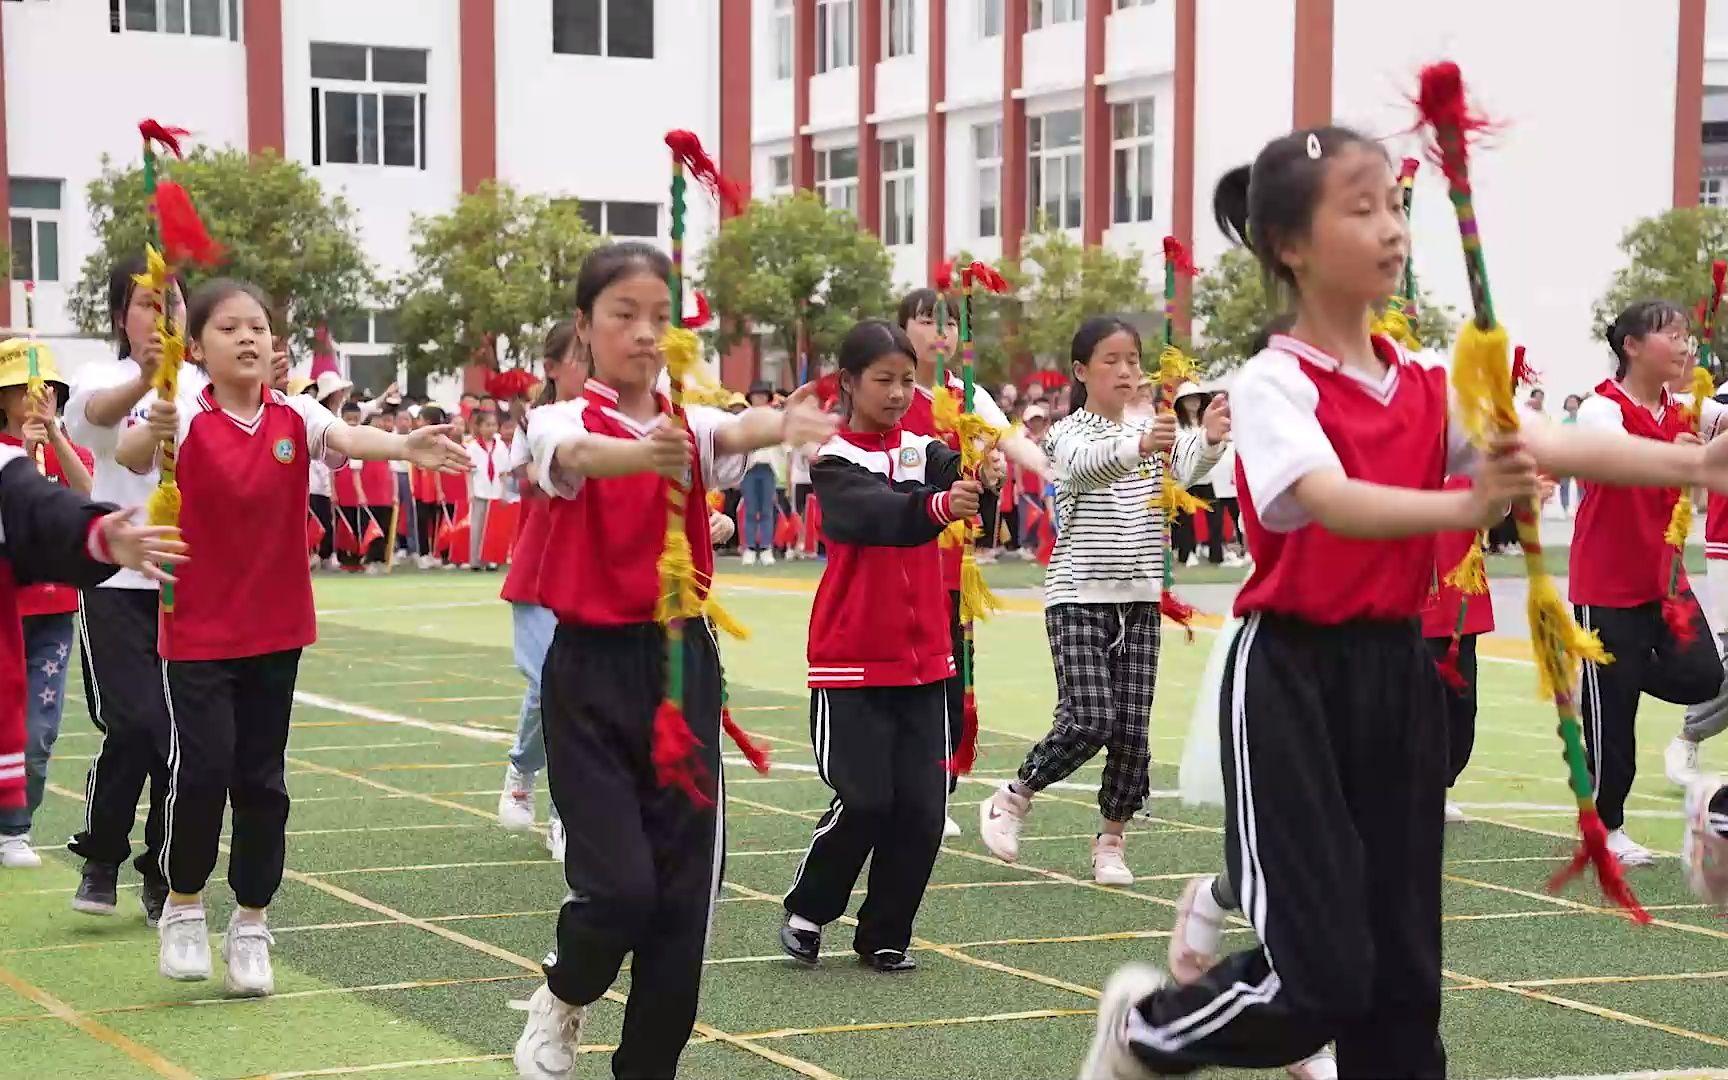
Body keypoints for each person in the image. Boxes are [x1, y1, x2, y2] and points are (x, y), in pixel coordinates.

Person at [1081, 125, 1728, 1080]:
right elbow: (1329, 499)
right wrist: (1465, 503)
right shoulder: (1272, 382)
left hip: (1398, 673)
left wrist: (1695, 463)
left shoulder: (1427, 380)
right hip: (1294, 678)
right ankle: (1147, 1031)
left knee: (1403, 981)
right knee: (1322, 976)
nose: (1391, 229)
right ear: (1290, 246)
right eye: (1361, 208)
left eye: (1394, 206)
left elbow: (1546, 441)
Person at [510, 243, 836, 1080]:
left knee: (685, 902)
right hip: (587, 674)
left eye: (660, 316)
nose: (645, 333)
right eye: (624, 315)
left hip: (681, 665)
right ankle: (565, 992)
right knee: (619, 889)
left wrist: (784, 425)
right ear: (583, 328)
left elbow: (736, 427)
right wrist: (639, 455)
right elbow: (580, 460)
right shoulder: (557, 422)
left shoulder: (688, 421)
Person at [115, 278, 469, 996]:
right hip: (197, 628)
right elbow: (127, 455)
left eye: (259, 328)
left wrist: (404, 445)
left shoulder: (296, 414)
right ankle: (183, 904)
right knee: (203, 770)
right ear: (199, 346)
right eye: (229, 328)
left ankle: (251, 922)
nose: (249, 339)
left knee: (262, 782)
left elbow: (347, 437)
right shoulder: (181, 411)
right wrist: (151, 422)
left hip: (275, 628)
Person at [978, 317, 1226, 886]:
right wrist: (1140, 444)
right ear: (1082, 370)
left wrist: (1208, 438)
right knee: (1090, 719)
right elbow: (1084, 469)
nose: (1125, 371)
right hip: (1077, 597)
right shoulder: (1069, 432)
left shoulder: (1152, 428)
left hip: (1139, 600)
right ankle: (1014, 797)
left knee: (1133, 732)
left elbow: (1187, 465)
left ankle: (1111, 840)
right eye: (1110, 360)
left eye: (1132, 360)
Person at [778, 319, 991, 974]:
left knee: (925, 809)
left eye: (906, 380)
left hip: (927, 653)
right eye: (883, 380)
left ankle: (886, 933)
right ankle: (812, 906)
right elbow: (867, 516)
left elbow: (970, 490)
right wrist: (936, 508)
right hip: (851, 655)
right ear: (848, 382)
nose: (899, 393)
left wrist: (985, 474)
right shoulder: (835, 458)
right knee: (865, 798)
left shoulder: (928, 448)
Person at [60, 256, 199, 922]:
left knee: (180, 735)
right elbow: (90, 422)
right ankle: (102, 850)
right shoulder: (106, 377)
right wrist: (148, 375)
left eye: (170, 302)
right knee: (136, 724)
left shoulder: (204, 384)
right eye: (146, 303)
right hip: (116, 581)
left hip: (186, 580)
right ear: (122, 315)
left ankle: (161, 868)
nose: (160, 314)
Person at [1570, 300, 1727, 866]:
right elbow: (1613, 457)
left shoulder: (1686, 409)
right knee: (1613, 731)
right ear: (1631, 347)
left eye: (1688, 336)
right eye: (1672, 336)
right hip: (1607, 585)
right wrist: (1682, 455)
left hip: (1665, 581)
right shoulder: (1600, 409)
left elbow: (1720, 424)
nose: (1685, 346)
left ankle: (1616, 679)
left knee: (1705, 675)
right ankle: (1606, 829)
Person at [897, 286, 1049, 838]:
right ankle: (906, 790)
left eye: (948, 323)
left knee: (952, 678)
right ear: (903, 330)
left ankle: (940, 792)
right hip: (899, 559)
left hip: (951, 566)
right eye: (925, 321)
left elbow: (1009, 444)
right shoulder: (891, 391)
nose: (939, 332)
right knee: (904, 681)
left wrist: (1045, 471)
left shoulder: (968, 396)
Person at [0, 339, 94, 868]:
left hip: (54, 614)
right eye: (24, 388)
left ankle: (16, 827)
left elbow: (86, 494)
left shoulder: (64, 448)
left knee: (40, 728)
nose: (38, 397)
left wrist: (53, 435)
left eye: (47, 389)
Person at [497, 321, 584, 859]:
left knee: (574, 691)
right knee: (549, 685)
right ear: (552, 367)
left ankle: (561, 807)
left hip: (591, 572)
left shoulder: (619, 420)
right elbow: (521, 477)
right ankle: (529, 777)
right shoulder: (535, 422)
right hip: (539, 571)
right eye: (581, 356)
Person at [739, 382, 782, 565]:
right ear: (751, 398)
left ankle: (766, 549)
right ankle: (749, 548)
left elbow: (784, 445)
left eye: (763, 396)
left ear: (767, 398)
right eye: (756, 396)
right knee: (750, 510)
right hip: (748, 468)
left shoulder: (776, 418)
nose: (759, 399)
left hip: (768, 468)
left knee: (766, 510)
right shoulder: (742, 418)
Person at [467, 406, 508, 572]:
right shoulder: (473, 447)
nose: (491, 428)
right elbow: (469, 471)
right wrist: (470, 491)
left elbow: (504, 471)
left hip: (496, 491)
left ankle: (492, 559)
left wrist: (505, 492)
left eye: (493, 425)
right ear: (479, 427)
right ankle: (475, 560)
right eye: (487, 425)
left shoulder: (501, 446)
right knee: (477, 526)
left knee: (493, 528)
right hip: (480, 490)